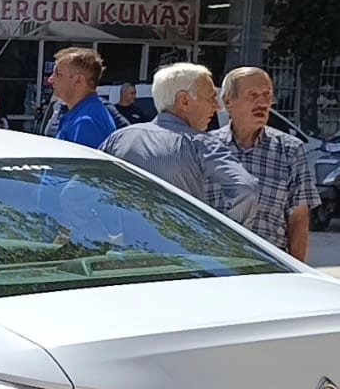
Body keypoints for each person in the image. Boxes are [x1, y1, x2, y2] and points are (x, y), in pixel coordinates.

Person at [99, 63, 257, 224]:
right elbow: (245, 188)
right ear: (184, 101)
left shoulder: (119, 139)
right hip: (183, 239)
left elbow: (91, 188)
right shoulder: (201, 144)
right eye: (211, 98)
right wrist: (223, 235)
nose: (217, 107)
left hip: (123, 238)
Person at [208, 66, 318, 259]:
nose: (263, 103)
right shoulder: (205, 147)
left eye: (267, 95)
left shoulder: (290, 150)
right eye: (253, 95)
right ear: (228, 101)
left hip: (268, 264)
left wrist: (298, 268)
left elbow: (299, 217)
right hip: (215, 261)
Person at [49, 48, 119, 149]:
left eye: (58, 74)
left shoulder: (86, 122)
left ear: (78, 80)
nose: (50, 80)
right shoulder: (84, 113)